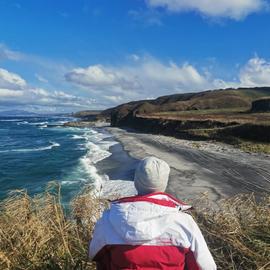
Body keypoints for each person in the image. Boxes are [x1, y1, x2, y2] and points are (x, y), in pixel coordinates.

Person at [89, 156, 217, 270]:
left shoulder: (109, 217)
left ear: (136, 181)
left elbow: (95, 255)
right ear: (164, 183)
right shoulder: (184, 221)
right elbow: (206, 266)